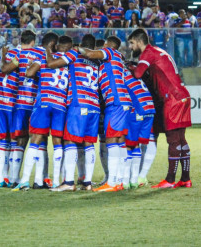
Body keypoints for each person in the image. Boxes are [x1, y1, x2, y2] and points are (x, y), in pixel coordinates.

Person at [127, 29, 192, 189]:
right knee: (181, 140)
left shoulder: (147, 53)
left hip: (172, 99)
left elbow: (138, 74)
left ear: (138, 41)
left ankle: (170, 180)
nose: (130, 47)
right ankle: (185, 178)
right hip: (182, 95)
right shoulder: (159, 51)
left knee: (173, 140)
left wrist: (127, 66)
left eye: (131, 43)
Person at [42, 34, 100, 192]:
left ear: (81, 44)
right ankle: (87, 182)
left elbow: (52, 64)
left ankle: (68, 182)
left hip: (78, 103)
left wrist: (48, 51)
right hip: (94, 105)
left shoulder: (75, 53)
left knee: (69, 141)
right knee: (89, 143)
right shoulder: (97, 60)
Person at [80, 36, 133, 192]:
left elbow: (89, 54)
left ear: (108, 45)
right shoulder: (117, 59)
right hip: (122, 102)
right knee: (119, 140)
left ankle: (112, 182)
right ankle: (121, 180)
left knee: (111, 140)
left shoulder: (109, 52)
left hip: (116, 102)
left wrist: (77, 49)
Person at [12, 32, 62, 191]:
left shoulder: (38, 56)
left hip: (37, 102)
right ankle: (44, 180)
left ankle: (21, 179)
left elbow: (28, 73)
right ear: (54, 44)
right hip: (57, 104)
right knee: (50, 142)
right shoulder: (64, 59)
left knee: (32, 139)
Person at [0, 38, 20, 188]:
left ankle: (0, 179)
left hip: (1, 102)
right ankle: (13, 178)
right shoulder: (20, 58)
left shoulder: (2, 58)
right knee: (14, 142)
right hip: (14, 104)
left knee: (2, 141)